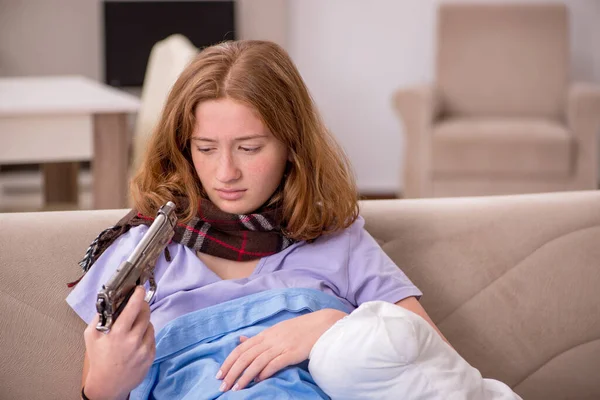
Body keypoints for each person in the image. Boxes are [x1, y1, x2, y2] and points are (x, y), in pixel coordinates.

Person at [66, 40, 447, 400]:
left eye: (249, 148)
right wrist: (106, 383)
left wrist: (332, 325)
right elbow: (95, 388)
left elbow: (436, 360)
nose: (225, 172)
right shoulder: (140, 249)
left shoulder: (340, 241)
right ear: (183, 148)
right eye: (206, 148)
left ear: (292, 147)